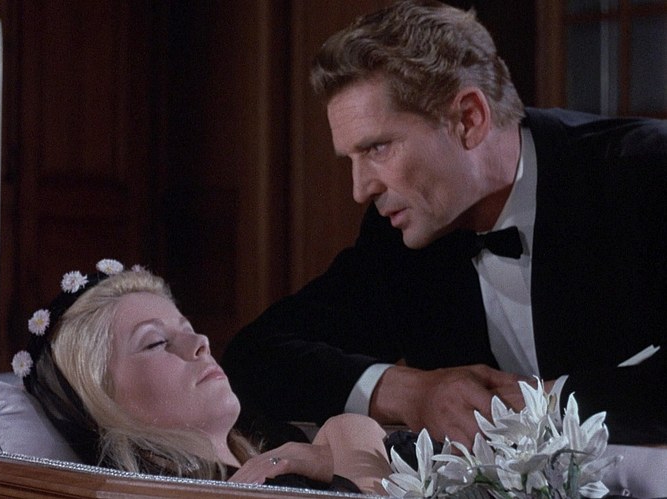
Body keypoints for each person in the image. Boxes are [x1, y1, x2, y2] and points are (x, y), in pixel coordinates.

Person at [221, 0, 667, 449]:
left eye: (377, 148)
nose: (360, 189)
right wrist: (409, 392)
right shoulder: (400, 234)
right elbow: (256, 356)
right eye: (352, 158)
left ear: (468, 119)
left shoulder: (644, 173)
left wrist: (549, 401)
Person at [12, 259, 392, 495]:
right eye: (156, 342)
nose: (200, 343)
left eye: (189, 329)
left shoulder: (301, 450)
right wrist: (353, 440)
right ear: (102, 398)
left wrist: (333, 449)